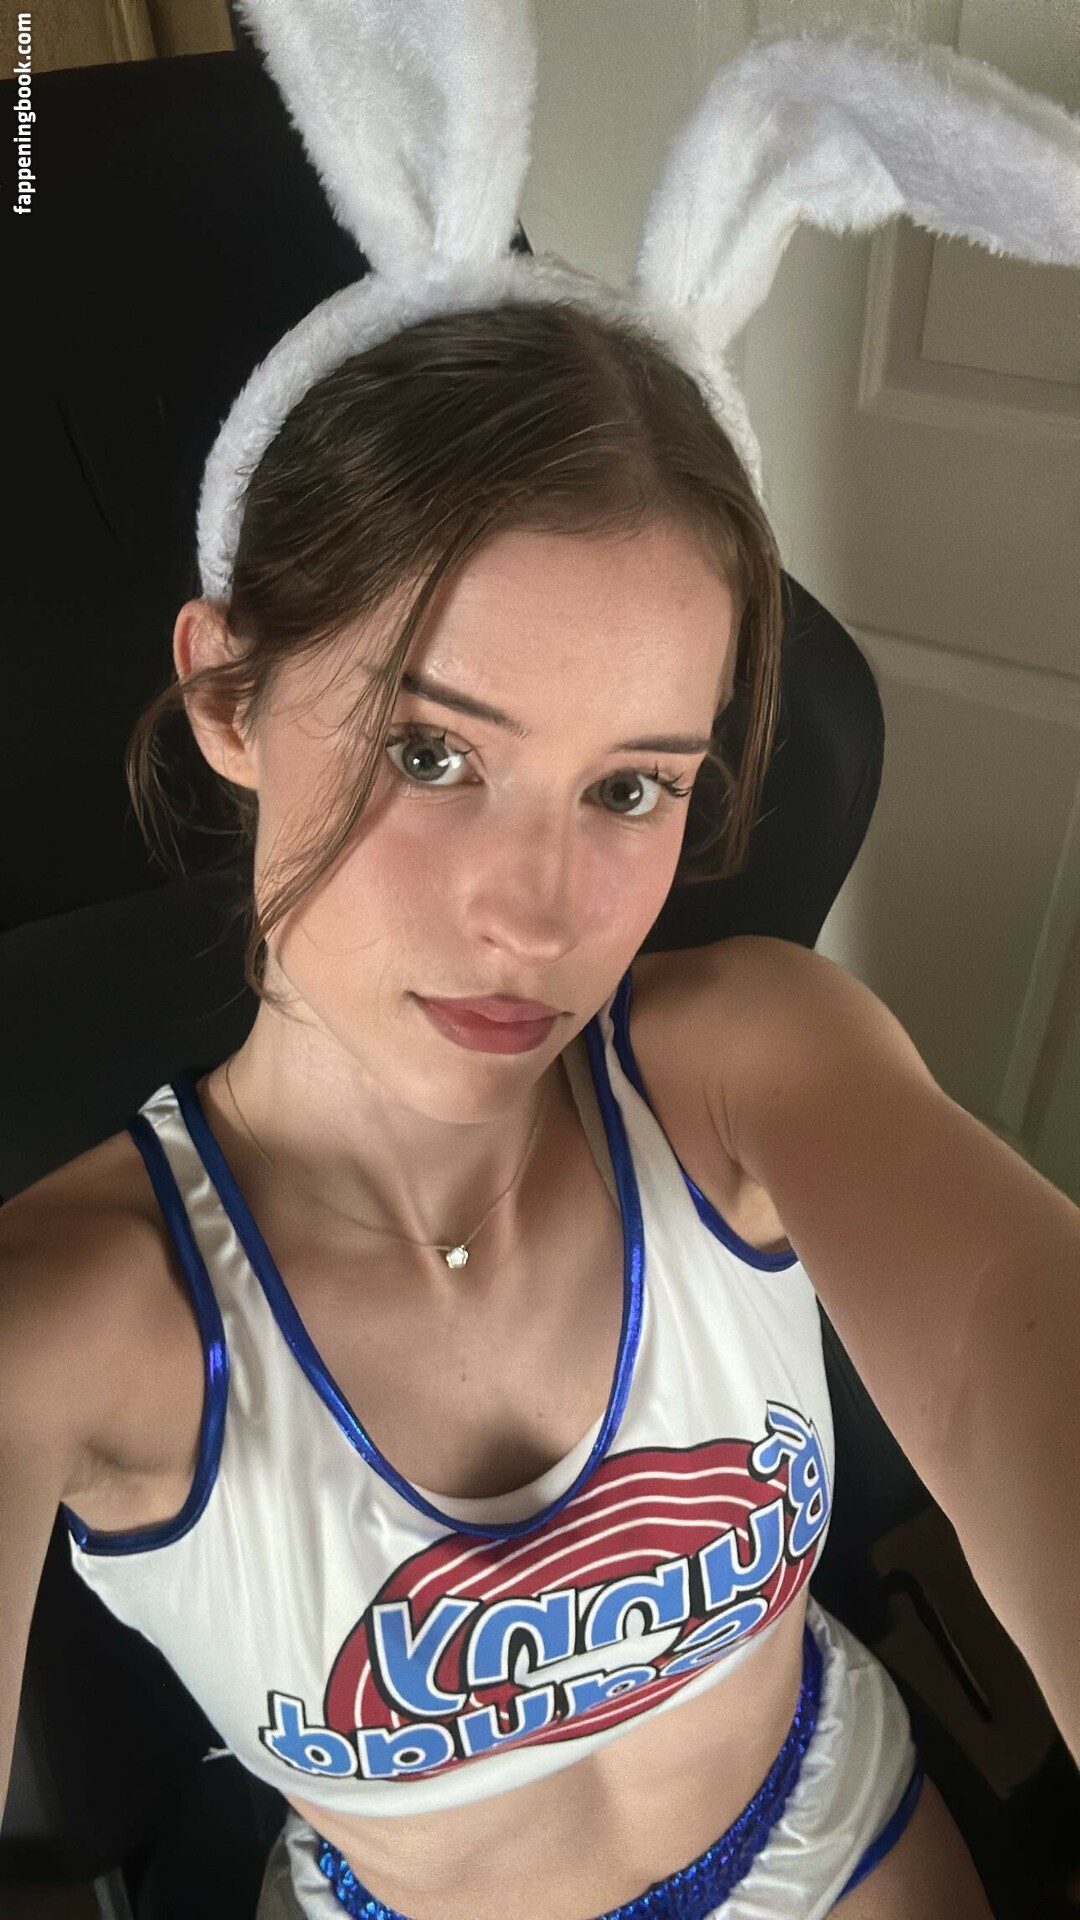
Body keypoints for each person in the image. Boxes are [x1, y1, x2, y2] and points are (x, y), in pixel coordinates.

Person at [1, 297, 999, 1918]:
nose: (538, 921)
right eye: (430, 754)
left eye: (631, 788)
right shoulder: (67, 1318)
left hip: (832, 1835)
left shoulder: (753, 1068)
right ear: (231, 698)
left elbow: (1012, 1356)